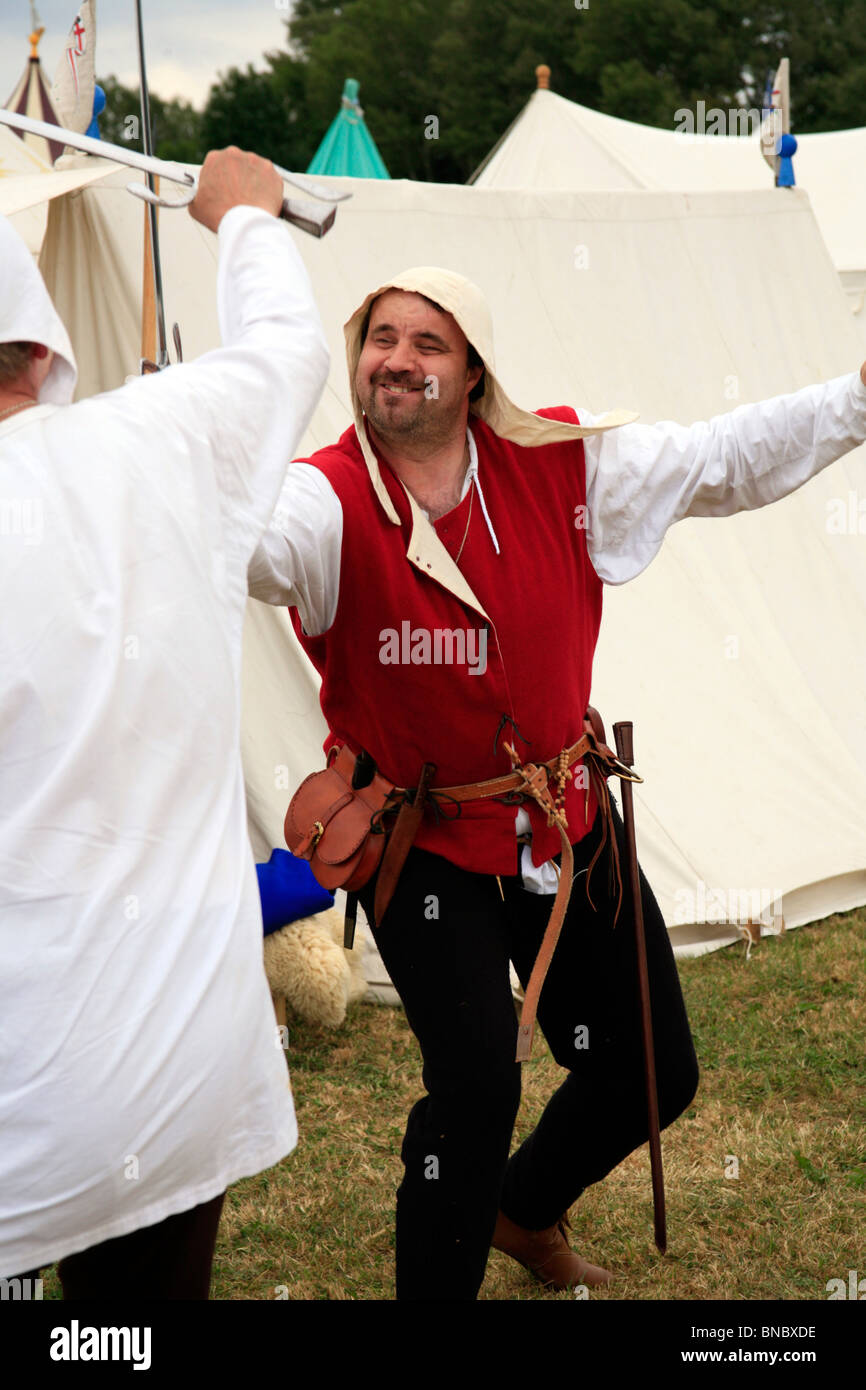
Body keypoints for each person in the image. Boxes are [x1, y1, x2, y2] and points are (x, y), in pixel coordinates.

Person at [247, 266, 866, 1302]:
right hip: (422, 838)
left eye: (425, 343)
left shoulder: (563, 466)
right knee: (476, 1084)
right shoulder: (325, 498)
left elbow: (723, 459)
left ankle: (522, 1209)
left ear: (476, 373)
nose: (395, 359)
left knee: (655, 1066)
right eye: (379, 337)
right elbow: (241, 545)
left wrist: (855, 398)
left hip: (559, 818)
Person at [0, 148, 329, 1298]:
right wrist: (243, 218)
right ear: (43, 348)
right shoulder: (162, 438)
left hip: (28, 1106)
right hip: (178, 1078)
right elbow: (289, 348)